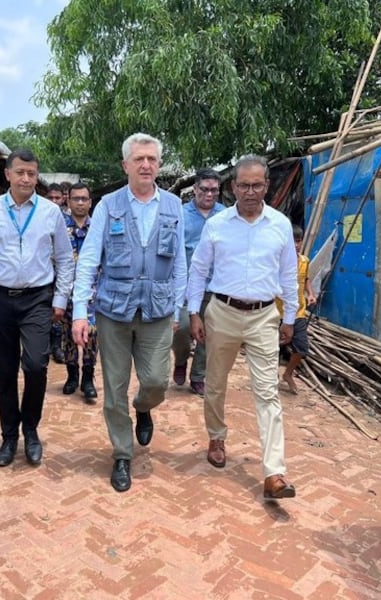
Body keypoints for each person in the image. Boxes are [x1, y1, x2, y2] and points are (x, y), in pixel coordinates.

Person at [72, 132, 187, 493]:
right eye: (139, 159)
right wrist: (80, 311)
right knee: (114, 389)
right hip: (114, 312)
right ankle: (122, 454)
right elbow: (90, 258)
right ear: (126, 165)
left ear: (159, 164)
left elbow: (180, 260)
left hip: (157, 311)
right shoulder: (108, 205)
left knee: (155, 381)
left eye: (152, 159)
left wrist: (178, 309)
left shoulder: (173, 207)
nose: (146, 165)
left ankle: (144, 407)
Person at [0, 149, 75, 468]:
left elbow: (64, 258)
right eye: (20, 172)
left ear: (37, 177)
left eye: (31, 173)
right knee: (5, 371)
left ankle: (31, 431)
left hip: (37, 298)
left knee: (36, 365)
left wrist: (60, 299)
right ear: (8, 174)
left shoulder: (50, 213)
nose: (25, 178)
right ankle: (9, 437)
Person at [188, 154, 299, 500]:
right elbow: (198, 270)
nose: (250, 191)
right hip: (221, 312)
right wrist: (194, 312)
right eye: (243, 185)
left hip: (264, 316)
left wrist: (291, 317)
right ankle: (217, 436)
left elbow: (288, 276)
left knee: (267, 392)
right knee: (216, 383)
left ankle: (274, 472)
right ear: (232, 187)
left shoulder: (280, 225)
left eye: (257, 184)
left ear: (266, 185)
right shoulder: (217, 226)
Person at [171, 168, 226, 396]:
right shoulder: (181, 215)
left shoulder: (226, 216)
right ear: (194, 189)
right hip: (185, 285)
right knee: (182, 328)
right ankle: (181, 359)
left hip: (214, 286)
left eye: (214, 190)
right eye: (204, 189)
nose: (209, 194)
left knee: (209, 332)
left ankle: (198, 376)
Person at [60, 182, 99, 404]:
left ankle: (88, 378)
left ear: (90, 202)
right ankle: (72, 376)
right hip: (66, 292)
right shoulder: (60, 227)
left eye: (84, 199)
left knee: (92, 337)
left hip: (93, 293)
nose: (81, 203)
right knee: (67, 336)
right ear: (69, 200)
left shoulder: (97, 227)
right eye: (76, 199)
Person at [278, 225, 316, 395]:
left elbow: (306, 278)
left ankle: (288, 374)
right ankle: (269, 378)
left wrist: (311, 294)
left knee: (301, 347)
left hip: (298, 311)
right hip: (277, 311)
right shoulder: (277, 261)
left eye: (298, 241)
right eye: (292, 241)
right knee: (272, 348)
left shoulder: (304, 261)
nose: (295, 244)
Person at [46, 183, 68, 364]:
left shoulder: (69, 220)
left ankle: (58, 347)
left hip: (63, 273)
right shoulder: (41, 217)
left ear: (64, 198)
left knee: (60, 310)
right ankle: (48, 346)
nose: (54, 201)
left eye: (57, 198)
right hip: (45, 273)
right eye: (50, 198)